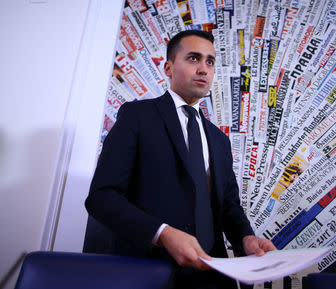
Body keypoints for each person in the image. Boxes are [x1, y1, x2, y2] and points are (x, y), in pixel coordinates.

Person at [85, 30, 276, 289]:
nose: (203, 69)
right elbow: (102, 197)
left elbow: (228, 206)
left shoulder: (219, 140)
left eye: (209, 61)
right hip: (150, 274)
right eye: (193, 59)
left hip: (214, 276)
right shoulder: (137, 116)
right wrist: (162, 233)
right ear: (168, 67)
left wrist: (245, 238)